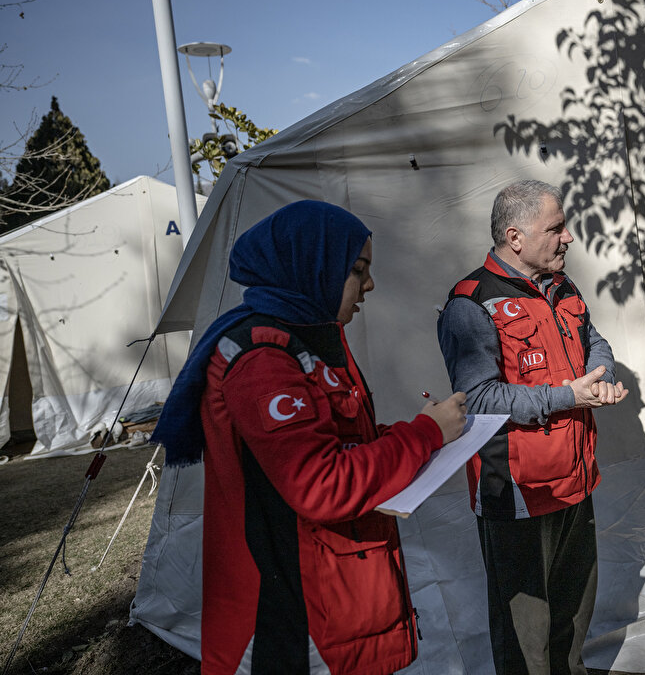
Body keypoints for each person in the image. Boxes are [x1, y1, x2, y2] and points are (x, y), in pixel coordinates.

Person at [151, 200, 467, 675]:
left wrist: (421, 431)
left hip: (337, 592)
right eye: (358, 270)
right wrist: (424, 434)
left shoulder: (310, 338)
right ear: (310, 265)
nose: (370, 285)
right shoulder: (263, 358)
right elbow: (319, 483)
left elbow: (340, 441)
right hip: (292, 616)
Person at [437, 180, 628, 675]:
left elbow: (594, 341)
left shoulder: (563, 287)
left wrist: (601, 377)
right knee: (526, 640)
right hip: (517, 494)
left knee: (572, 621)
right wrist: (572, 395)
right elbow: (478, 398)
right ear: (515, 236)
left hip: (576, 482)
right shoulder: (471, 302)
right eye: (556, 228)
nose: (568, 238)